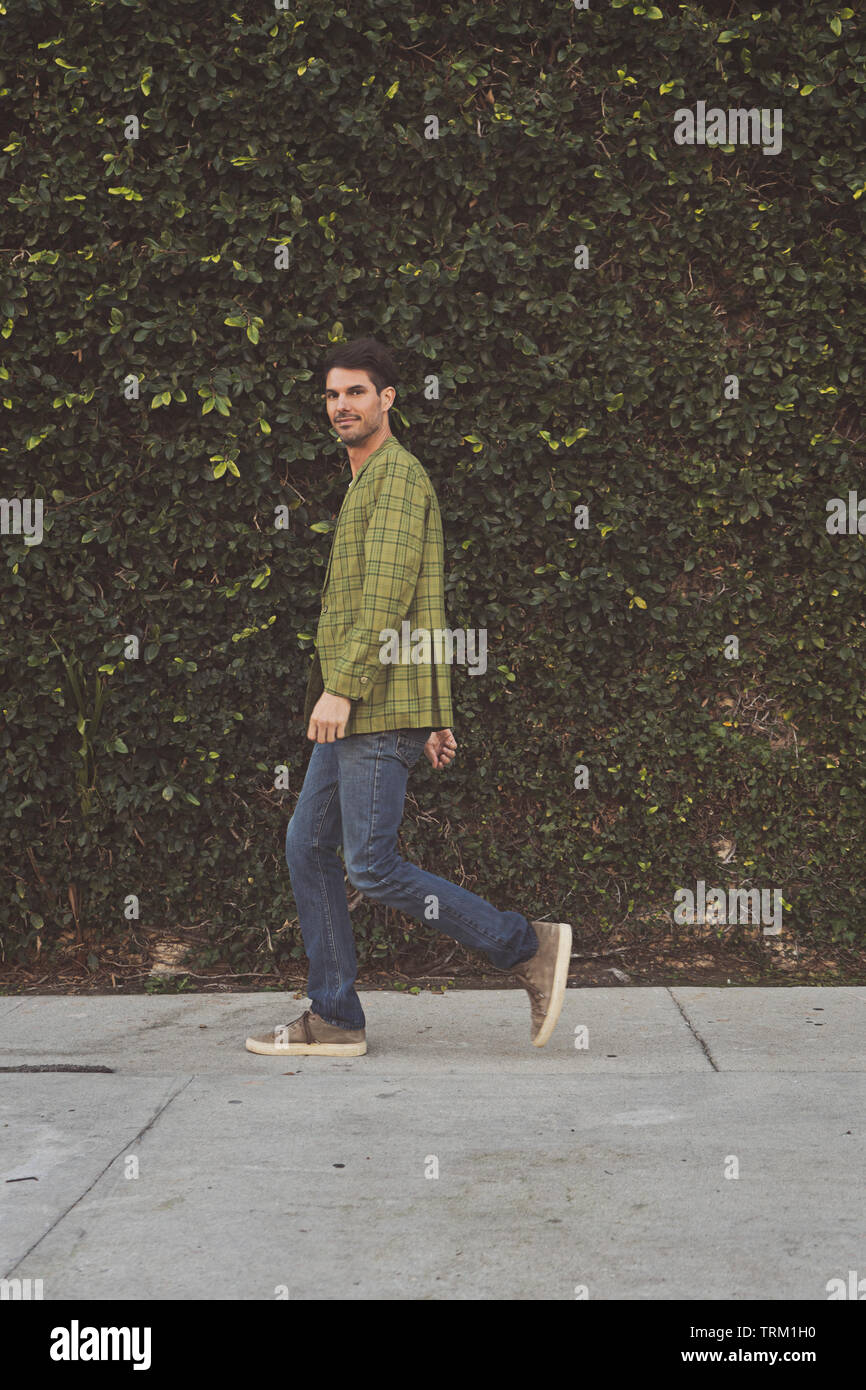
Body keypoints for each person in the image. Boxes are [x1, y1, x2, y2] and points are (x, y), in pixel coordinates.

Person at [245, 337, 571, 1057]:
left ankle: (524, 945)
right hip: (381, 706)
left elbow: (388, 597)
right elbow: (428, 601)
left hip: (368, 706)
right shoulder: (369, 479)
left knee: (371, 864)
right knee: (307, 845)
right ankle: (333, 1015)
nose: (341, 406)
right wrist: (437, 714)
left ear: (388, 398)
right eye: (332, 394)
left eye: (356, 392)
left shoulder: (394, 477)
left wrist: (342, 689)